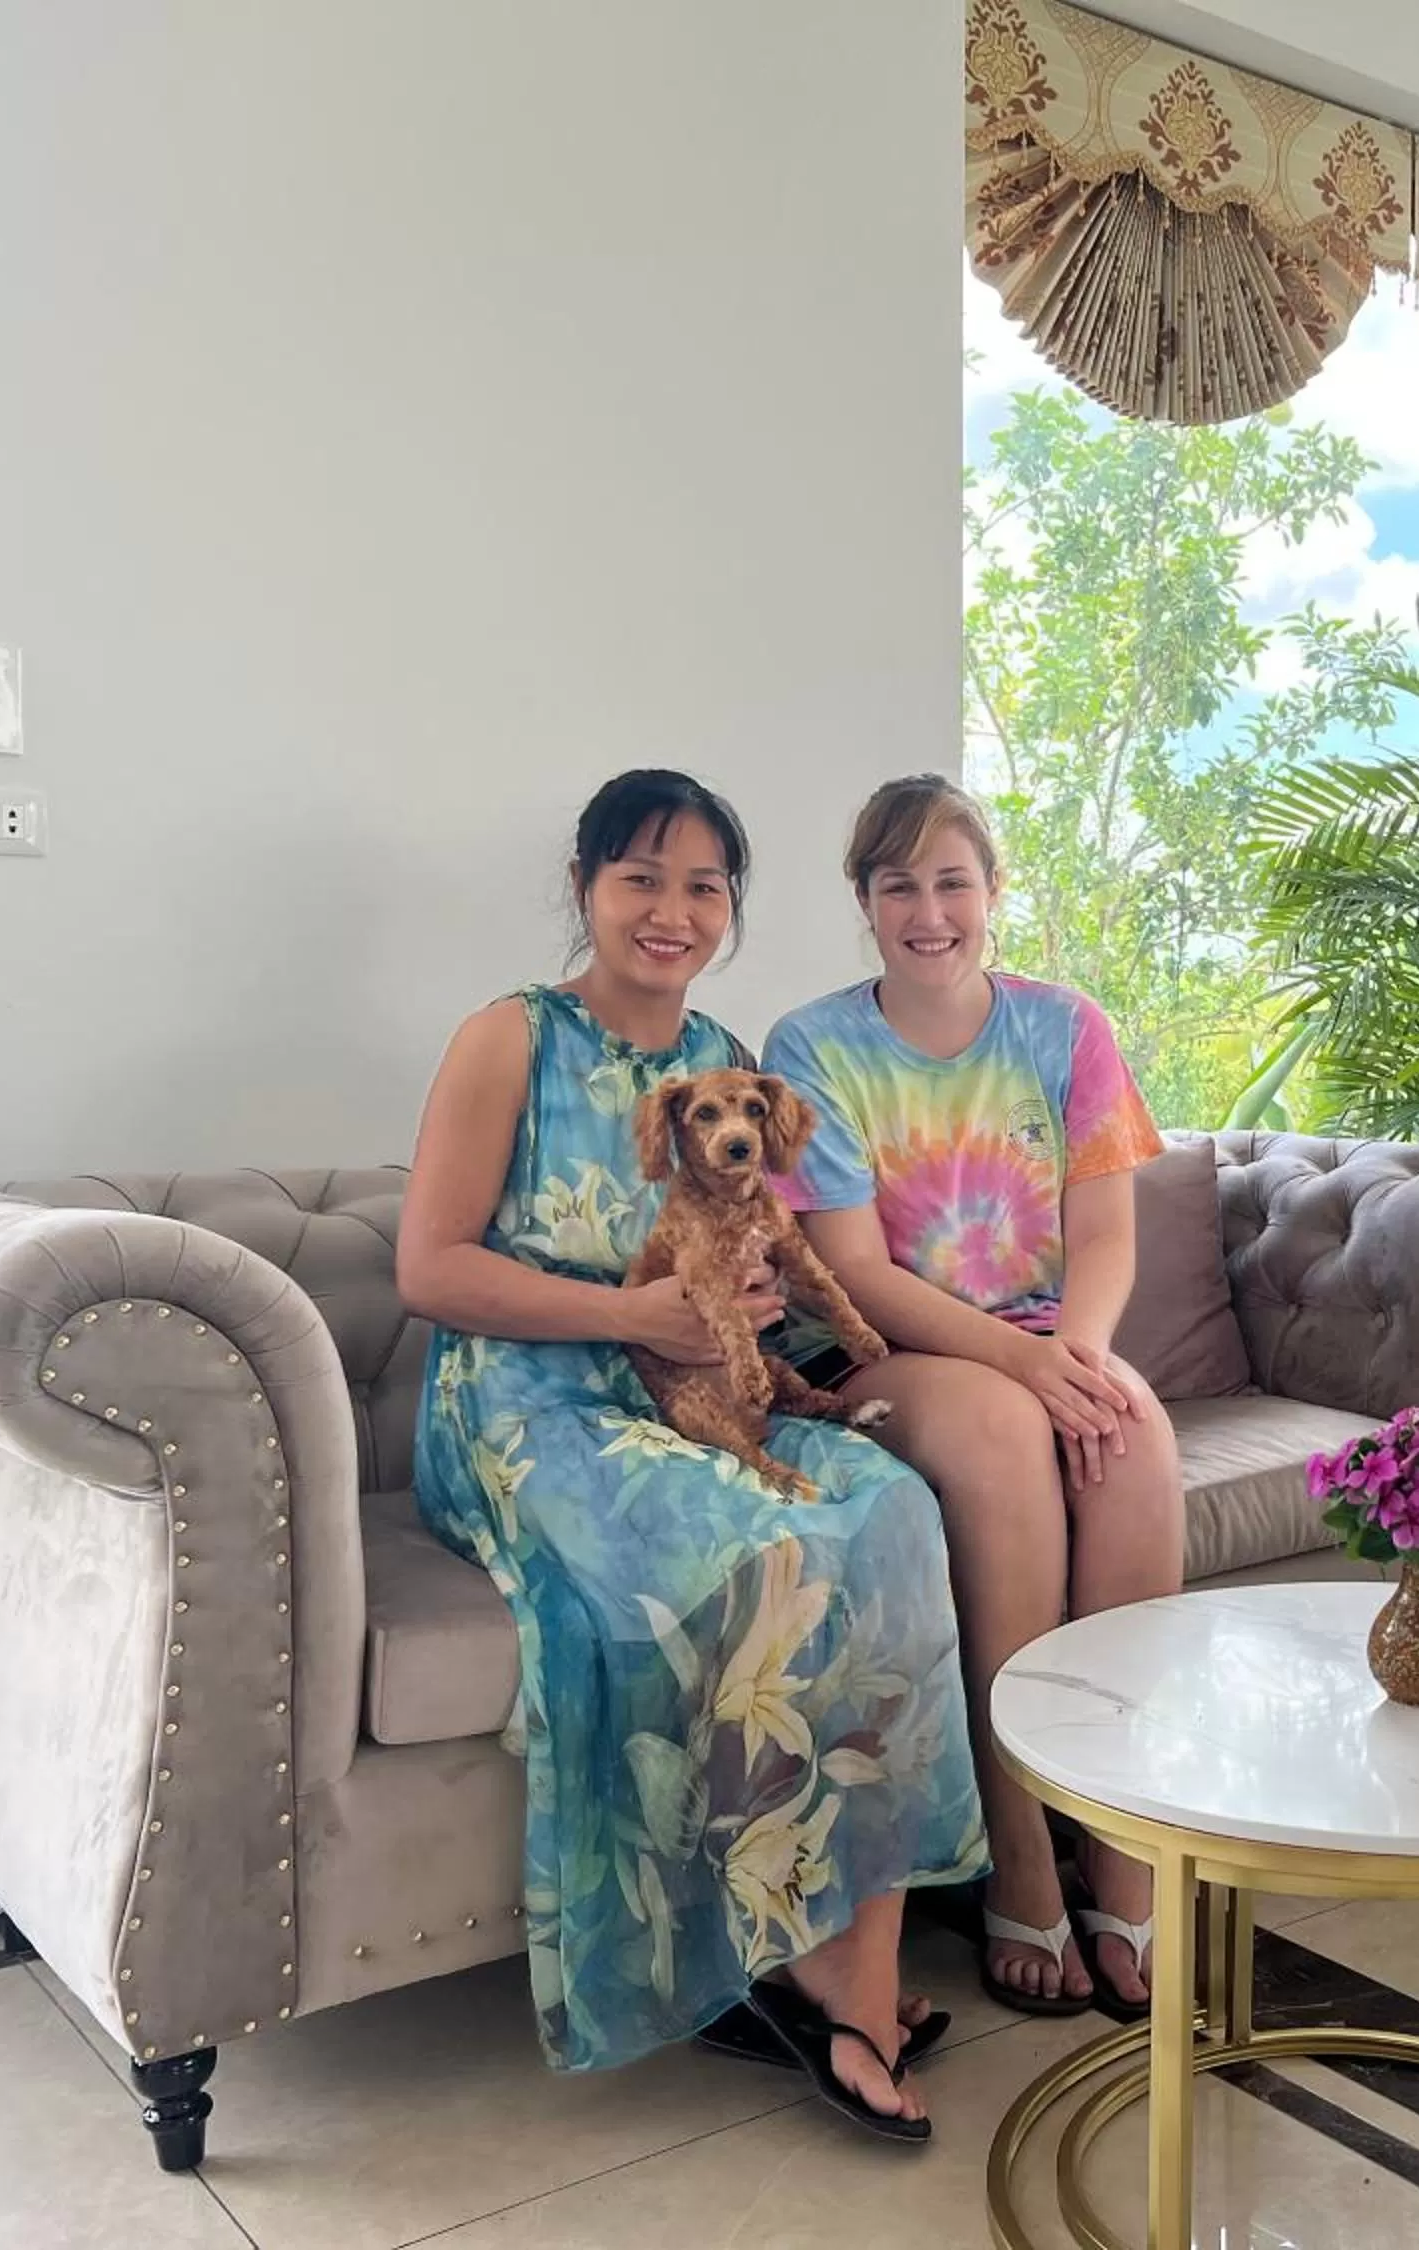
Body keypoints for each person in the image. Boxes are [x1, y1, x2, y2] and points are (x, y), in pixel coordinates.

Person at [399, 769, 985, 2142]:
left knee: (893, 1507)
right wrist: (630, 1312)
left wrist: (754, 1306)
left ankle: (851, 1952)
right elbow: (429, 1269)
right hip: (525, 1408)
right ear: (588, 887)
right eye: (641, 878)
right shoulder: (511, 1038)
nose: (673, 912)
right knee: (760, 1542)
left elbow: (754, 1246)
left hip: (699, 1385)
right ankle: (829, 1978)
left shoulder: (724, 1050)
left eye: (705, 884)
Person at [764, 773, 1184, 2020]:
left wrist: (1085, 1358)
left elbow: (1105, 1238)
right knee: (1007, 1438)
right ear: (865, 901)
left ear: (993, 892)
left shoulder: (1065, 1028)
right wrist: (1025, 1368)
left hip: (1049, 1339)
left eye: (953, 882)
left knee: (1135, 1442)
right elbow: (849, 1274)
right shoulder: (813, 1046)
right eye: (899, 886)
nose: (929, 910)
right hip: (876, 1348)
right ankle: (1016, 1861)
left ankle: (1123, 1857)